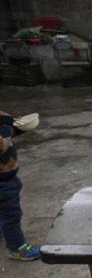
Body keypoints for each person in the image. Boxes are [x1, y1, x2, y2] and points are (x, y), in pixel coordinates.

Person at [0, 110, 39, 261]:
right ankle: (17, 247)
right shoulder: (3, 130)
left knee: (3, 210)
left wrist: (16, 128)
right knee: (11, 215)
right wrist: (8, 124)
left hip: (6, 178)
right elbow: (3, 142)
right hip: (3, 183)